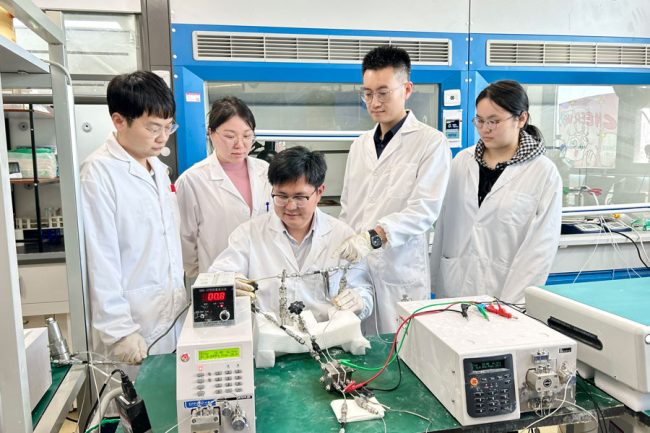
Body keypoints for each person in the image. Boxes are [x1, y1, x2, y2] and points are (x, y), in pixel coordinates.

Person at [335, 45, 451, 334]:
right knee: (357, 350)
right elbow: (349, 207)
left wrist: (373, 238)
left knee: (402, 353)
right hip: (358, 273)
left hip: (399, 272)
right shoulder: (359, 145)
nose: (374, 102)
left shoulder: (431, 143)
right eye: (368, 93)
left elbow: (424, 211)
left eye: (383, 92)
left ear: (407, 89)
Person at [80, 71, 187, 364]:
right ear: (118, 120)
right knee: (131, 407)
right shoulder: (98, 174)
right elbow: (99, 259)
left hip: (169, 318)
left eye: (168, 126)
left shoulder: (158, 169)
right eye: (153, 127)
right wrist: (119, 332)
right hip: (131, 328)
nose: (163, 137)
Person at [430, 80, 562, 303]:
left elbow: (540, 249)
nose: (485, 128)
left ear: (521, 119)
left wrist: (514, 302)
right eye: (480, 121)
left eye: (494, 121)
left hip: (506, 292)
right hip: (455, 288)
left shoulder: (543, 173)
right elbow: (443, 223)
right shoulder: (463, 161)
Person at [209, 146, 373, 323]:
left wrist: (359, 300)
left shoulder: (342, 235)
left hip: (327, 340)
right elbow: (215, 279)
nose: (290, 206)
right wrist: (226, 285)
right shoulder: (248, 234)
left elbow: (364, 290)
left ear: (319, 192)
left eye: (299, 197)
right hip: (269, 341)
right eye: (281, 196)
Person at [176, 97, 271, 278]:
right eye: (229, 136)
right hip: (218, 282)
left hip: (264, 277)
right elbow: (184, 241)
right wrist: (207, 275)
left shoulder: (266, 172)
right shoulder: (192, 180)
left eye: (247, 135)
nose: (240, 144)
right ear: (211, 133)